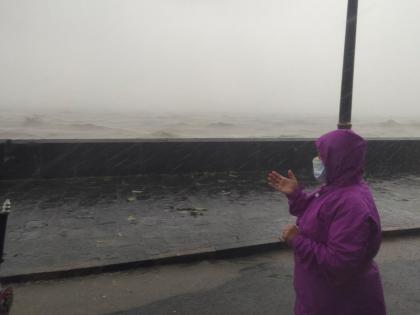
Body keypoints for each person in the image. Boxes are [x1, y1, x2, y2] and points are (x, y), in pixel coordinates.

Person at [267, 129, 386, 315]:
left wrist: (297, 240)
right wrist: (295, 194)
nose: (317, 159)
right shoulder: (339, 188)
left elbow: (339, 264)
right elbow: (316, 215)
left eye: (322, 155)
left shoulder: (351, 204)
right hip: (321, 297)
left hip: (339, 303)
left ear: (338, 159)